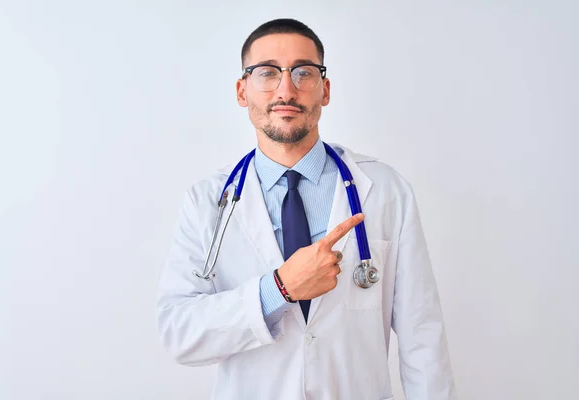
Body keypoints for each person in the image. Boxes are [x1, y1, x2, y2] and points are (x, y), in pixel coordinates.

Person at [156, 18, 456, 400]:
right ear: (241, 90)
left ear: (324, 89)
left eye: (303, 72)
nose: (286, 89)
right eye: (266, 72)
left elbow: (423, 339)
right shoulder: (206, 202)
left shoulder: (385, 190)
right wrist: (279, 289)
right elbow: (179, 332)